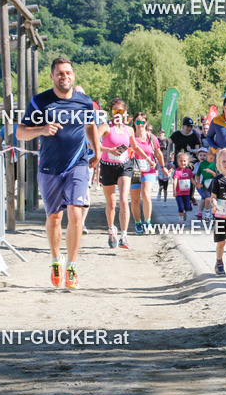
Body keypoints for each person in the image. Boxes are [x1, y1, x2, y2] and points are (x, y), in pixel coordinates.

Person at [16, 56, 101, 289]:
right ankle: (56, 260)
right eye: (60, 73)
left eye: (68, 73)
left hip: (78, 164)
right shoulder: (40, 102)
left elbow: (91, 124)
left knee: (75, 213)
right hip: (50, 167)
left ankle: (71, 266)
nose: (64, 77)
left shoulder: (84, 102)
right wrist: (42, 129)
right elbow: (20, 133)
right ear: (52, 76)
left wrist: (97, 149)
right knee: (54, 218)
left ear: (74, 75)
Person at [97, 98, 146, 249]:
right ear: (111, 112)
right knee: (111, 203)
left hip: (125, 166)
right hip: (107, 166)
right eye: (114, 111)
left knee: (124, 200)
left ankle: (124, 236)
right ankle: (112, 229)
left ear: (125, 112)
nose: (117, 113)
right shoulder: (106, 127)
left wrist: (149, 159)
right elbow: (94, 143)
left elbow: (135, 146)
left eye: (120, 111)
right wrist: (109, 150)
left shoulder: (129, 130)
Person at [129, 112, 164, 235]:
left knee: (146, 195)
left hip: (149, 169)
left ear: (146, 123)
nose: (140, 125)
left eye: (142, 122)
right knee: (135, 200)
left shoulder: (151, 138)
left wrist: (163, 166)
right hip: (134, 170)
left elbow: (158, 153)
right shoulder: (131, 136)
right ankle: (138, 223)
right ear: (134, 123)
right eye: (138, 122)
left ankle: (148, 222)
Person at [193, 147, 219, 221]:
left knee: (214, 200)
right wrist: (198, 183)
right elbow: (197, 174)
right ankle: (207, 213)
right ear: (208, 155)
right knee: (207, 199)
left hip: (214, 185)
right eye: (211, 158)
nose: (212, 160)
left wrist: (210, 171)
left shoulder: (215, 164)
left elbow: (217, 175)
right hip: (205, 185)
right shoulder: (202, 164)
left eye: (214, 158)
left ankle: (214, 214)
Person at [172, 152, 194, 224]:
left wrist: (197, 184)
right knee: (180, 207)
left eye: (184, 161)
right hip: (179, 193)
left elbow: (192, 179)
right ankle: (181, 219)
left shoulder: (189, 171)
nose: (183, 163)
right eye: (180, 161)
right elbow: (175, 181)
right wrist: (174, 190)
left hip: (186, 193)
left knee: (187, 207)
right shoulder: (177, 171)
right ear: (177, 162)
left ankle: (185, 212)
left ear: (187, 162)